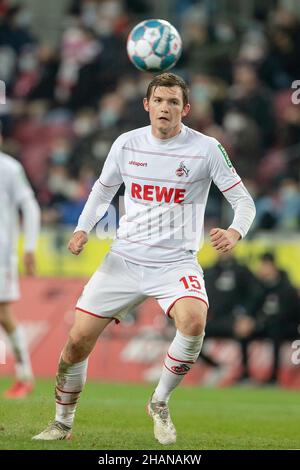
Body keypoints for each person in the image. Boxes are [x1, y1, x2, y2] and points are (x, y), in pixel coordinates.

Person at [33, 73, 255, 444]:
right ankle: (61, 423)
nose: (164, 108)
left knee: (194, 321)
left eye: (172, 102)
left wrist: (234, 232)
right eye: (158, 101)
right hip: (124, 259)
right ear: (146, 105)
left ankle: (159, 400)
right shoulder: (127, 143)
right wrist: (82, 228)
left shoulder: (206, 149)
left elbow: (243, 201)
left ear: (185, 109)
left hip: (176, 262)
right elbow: (102, 192)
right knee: (76, 343)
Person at [0, 132, 41, 398]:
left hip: (1, 254)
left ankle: (25, 375)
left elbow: (31, 207)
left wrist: (29, 247)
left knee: (3, 314)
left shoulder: (9, 168)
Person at [234, 252, 300, 384]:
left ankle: (274, 377)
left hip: (287, 326)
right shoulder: (260, 287)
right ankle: (245, 373)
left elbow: (286, 314)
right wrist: (246, 320)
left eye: (264, 265)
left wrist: (259, 323)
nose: (261, 269)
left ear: (272, 266)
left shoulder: (286, 287)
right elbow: (252, 307)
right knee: (244, 334)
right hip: (265, 325)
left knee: (276, 332)